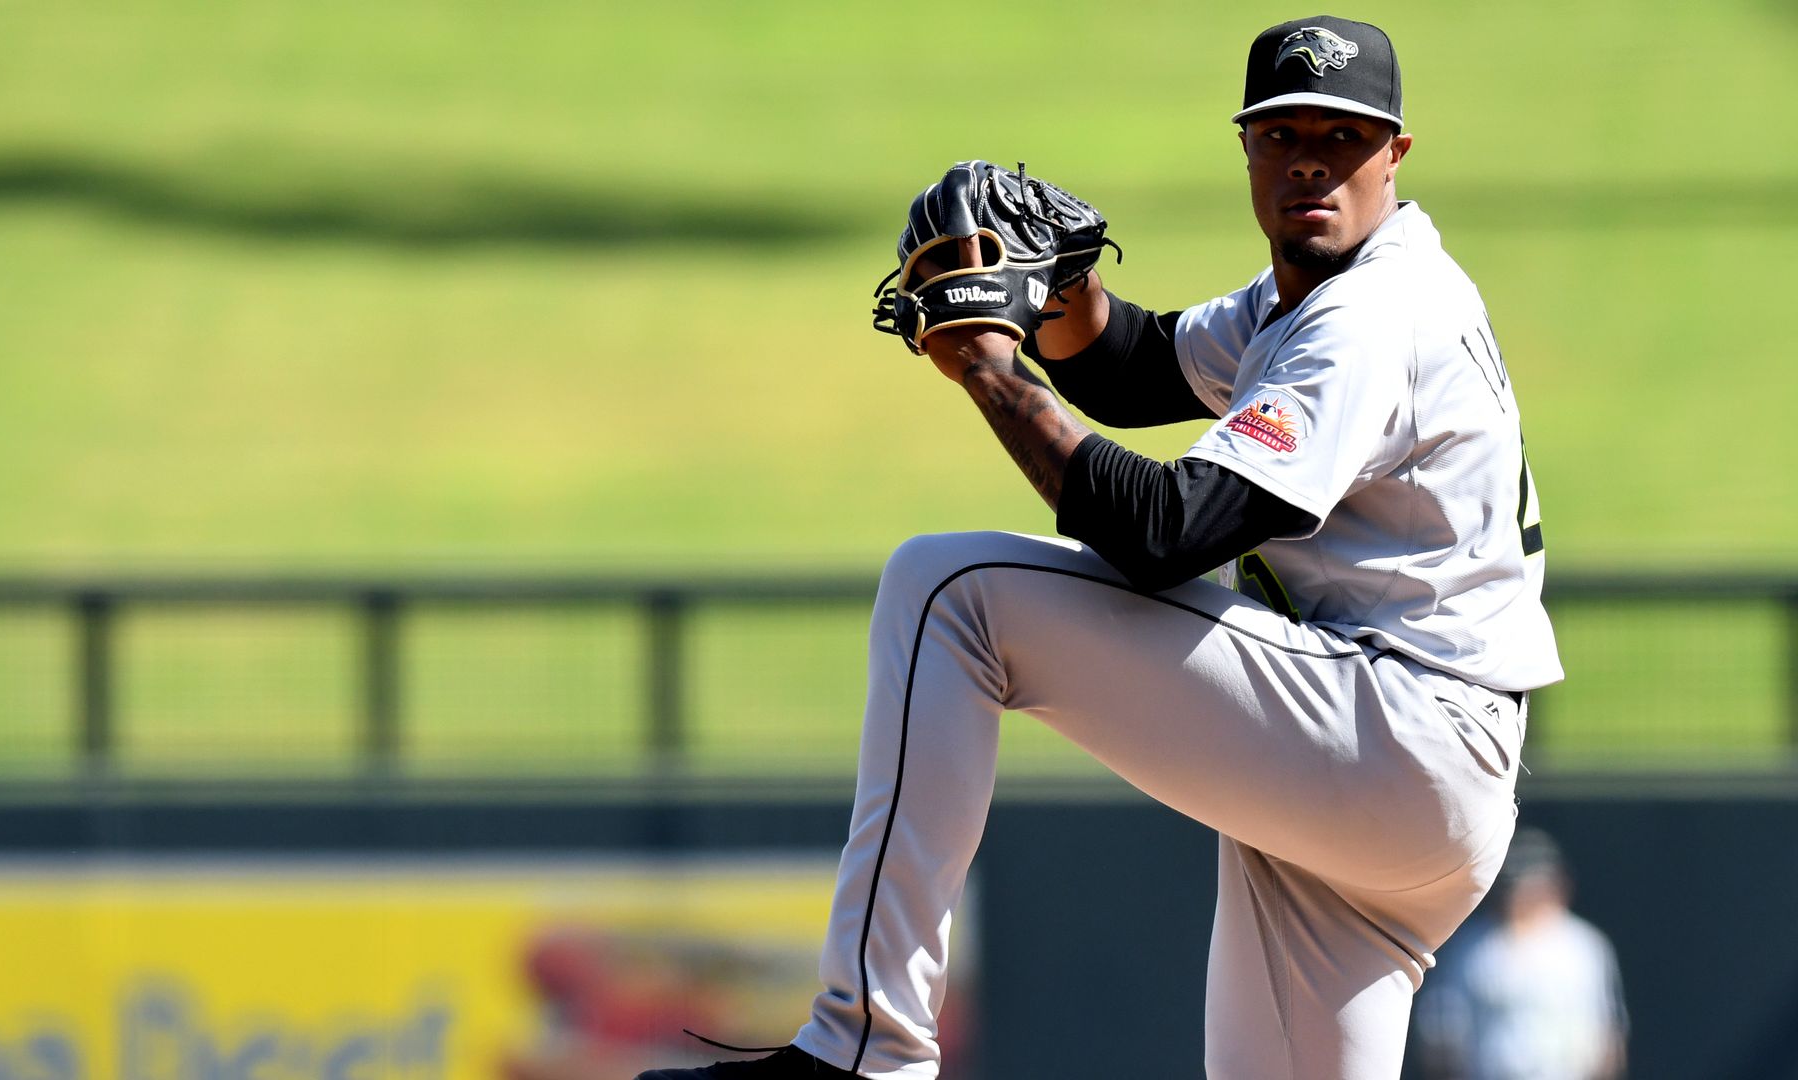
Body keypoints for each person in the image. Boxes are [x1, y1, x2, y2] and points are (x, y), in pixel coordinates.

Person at [637, 14, 1562, 1080]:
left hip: (1398, 733)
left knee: (951, 595)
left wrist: (993, 368)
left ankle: (864, 1051)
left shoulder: (1374, 315)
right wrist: (1067, 295)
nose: (1309, 156)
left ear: (1394, 153)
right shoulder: (1303, 299)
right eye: (1281, 132)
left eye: (1342, 134)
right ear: (1248, 149)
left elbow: (1167, 532)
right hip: (1391, 794)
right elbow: (1138, 366)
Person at [1411, 829, 1629, 1080]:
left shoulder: (1584, 946)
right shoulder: (1471, 946)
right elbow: (1441, 1034)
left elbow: (1608, 1035)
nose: (1524, 897)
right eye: (1518, 888)